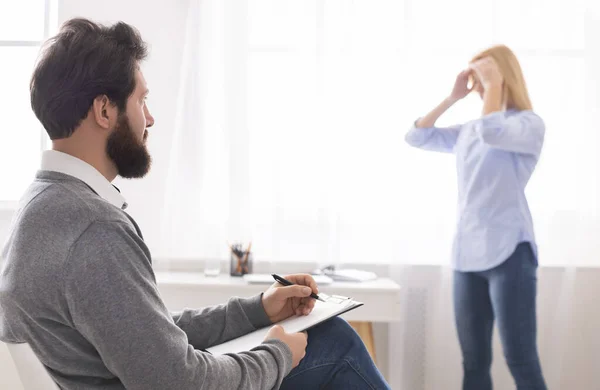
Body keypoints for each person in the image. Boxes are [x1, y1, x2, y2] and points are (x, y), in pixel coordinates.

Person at [0, 18, 390, 390]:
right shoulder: (92, 229)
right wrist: (277, 355)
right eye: (141, 101)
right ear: (105, 111)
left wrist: (258, 310)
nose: (149, 119)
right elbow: (179, 382)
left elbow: (144, 336)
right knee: (332, 342)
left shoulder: (43, 205)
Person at [405, 44, 547, 390]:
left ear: (504, 76)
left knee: (521, 359)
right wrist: (453, 97)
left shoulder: (528, 125)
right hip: (467, 256)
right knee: (474, 362)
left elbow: (493, 132)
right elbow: (417, 136)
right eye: (476, 78)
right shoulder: (470, 128)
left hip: (510, 253)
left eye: (484, 76)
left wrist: (495, 86)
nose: (479, 84)